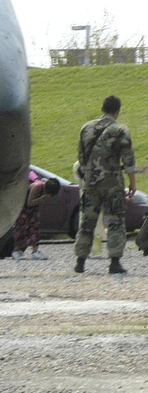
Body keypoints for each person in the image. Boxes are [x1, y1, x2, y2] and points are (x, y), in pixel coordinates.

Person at [74, 95, 137, 274]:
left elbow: (81, 157)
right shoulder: (121, 130)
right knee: (116, 221)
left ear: (102, 108)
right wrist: (132, 182)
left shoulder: (86, 128)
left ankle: (80, 261)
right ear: (117, 110)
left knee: (87, 221)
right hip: (112, 183)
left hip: (90, 182)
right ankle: (114, 262)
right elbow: (128, 159)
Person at [11, 176, 60, 260]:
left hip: (33, 211)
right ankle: (16, 251)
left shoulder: (45, 186)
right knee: (21, 229)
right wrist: (43, 198)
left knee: (35, 229)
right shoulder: (37, 186)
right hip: (23, 210)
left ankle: (35, 252)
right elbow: (29, 202)